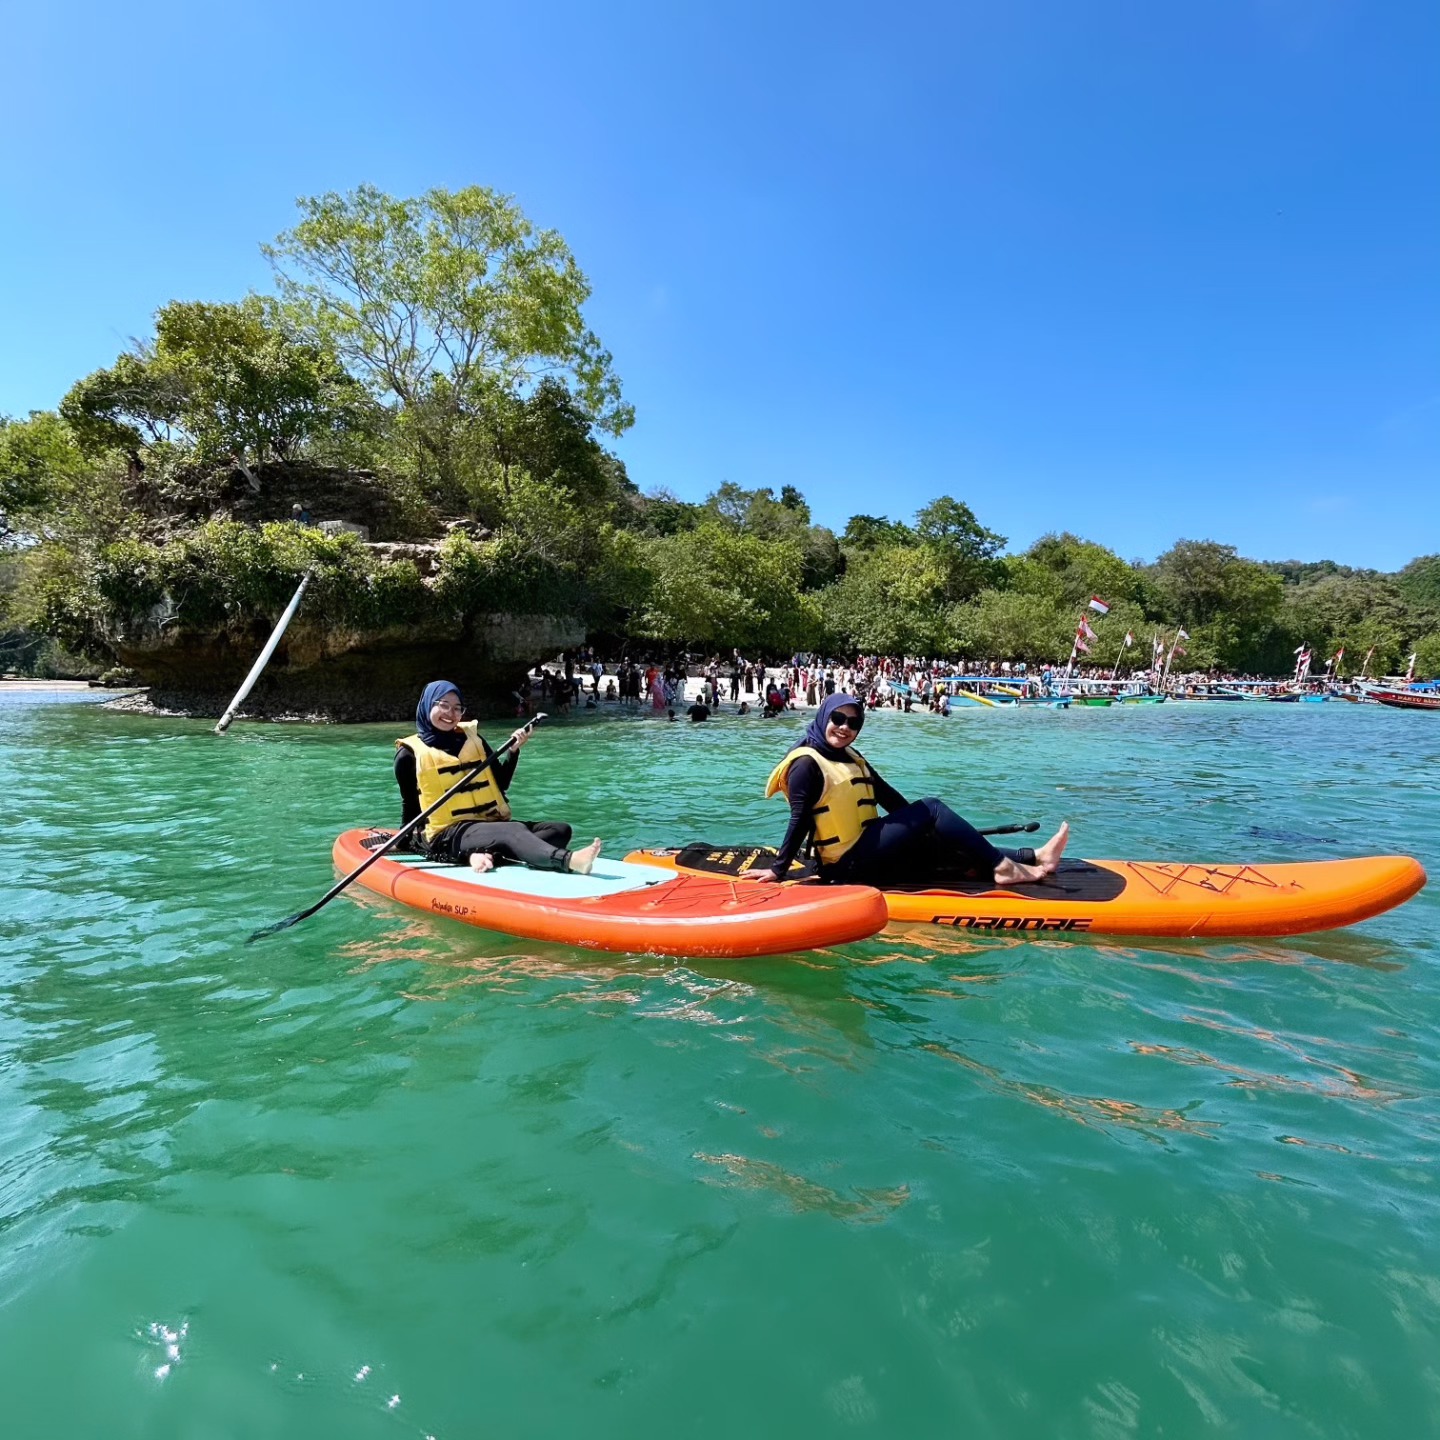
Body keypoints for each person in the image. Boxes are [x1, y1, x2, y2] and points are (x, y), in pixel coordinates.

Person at [747, 693, 1068, 888]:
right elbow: (800, 819)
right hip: (844, 865)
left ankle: (1035, 856)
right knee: (932, 808)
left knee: (940, 848)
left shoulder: (851, 757)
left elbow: (888, 797)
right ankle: (1004, 868)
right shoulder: (806, 763)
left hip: (869, 848)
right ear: (823, 717)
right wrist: (779, 870)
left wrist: (921, 832)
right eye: (838, 718)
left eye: (854, 723)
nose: (845, 727)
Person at [394, 681, 602, 876]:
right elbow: (410, 805)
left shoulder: (473, 740)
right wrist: (404, 842)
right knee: (513, 830)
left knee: (559, 829)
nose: (451, 713)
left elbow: (501, 783)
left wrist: (513, 752)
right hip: (449, 833)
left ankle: (487, 855)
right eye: (444, 705)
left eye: (457, 708)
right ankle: (569, 861)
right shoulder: (408, 755)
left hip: (487, 824)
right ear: (427, 705)